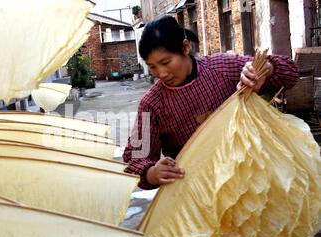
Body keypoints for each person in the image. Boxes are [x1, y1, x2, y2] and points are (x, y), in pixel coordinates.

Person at [123, 15, 299, 190]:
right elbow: (136, 156)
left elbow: (290, 72)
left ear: (185, 47)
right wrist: (152, 173)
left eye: (165, 62)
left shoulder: (223, 68)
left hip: (250, 178)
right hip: (195, 191)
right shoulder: (152, 104)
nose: (161, 73)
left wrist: (266, 69)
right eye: (152, 66)